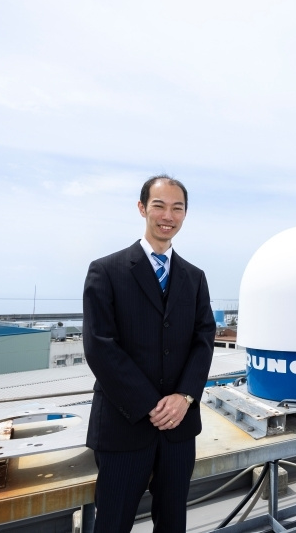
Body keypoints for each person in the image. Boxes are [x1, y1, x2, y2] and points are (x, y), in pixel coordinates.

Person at [83, 175, 216, 533]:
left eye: (177, 207)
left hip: (178, 428)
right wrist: (151, 405)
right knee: (113, 523)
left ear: (185, 214)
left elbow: (204, 338)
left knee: (173, 523)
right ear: (142, 208)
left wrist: (185, 397)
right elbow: (99, 345)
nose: (167, 215)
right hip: (125, 425)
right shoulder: (106, 271)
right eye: (159, 205)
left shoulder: (194, 277)